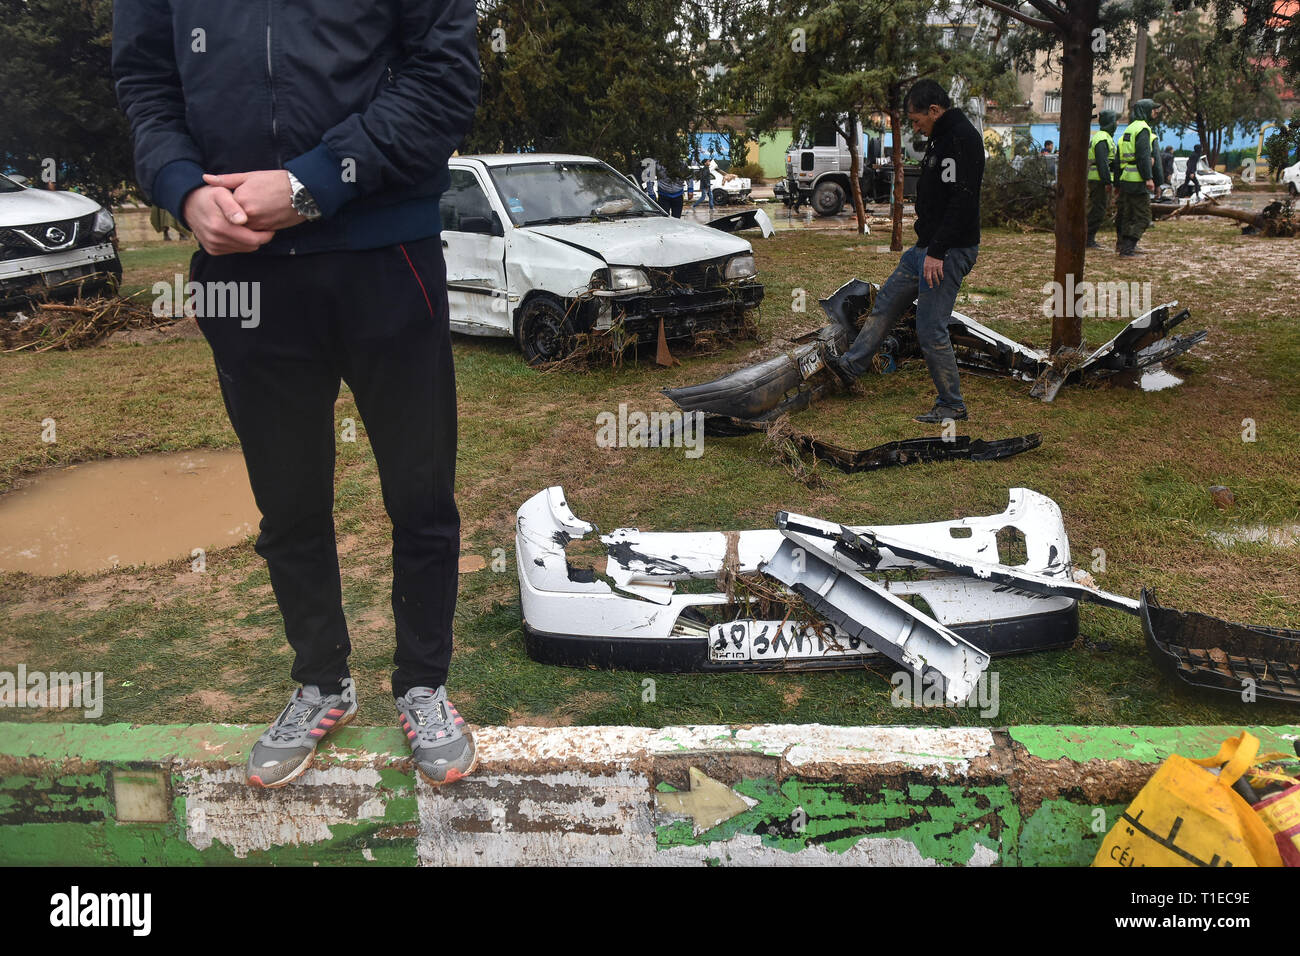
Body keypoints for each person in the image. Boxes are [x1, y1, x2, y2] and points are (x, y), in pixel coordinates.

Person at [112, 0, 482, 789]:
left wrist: (313, 183)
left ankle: (423, 684)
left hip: (388, 255)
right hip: (242, 277)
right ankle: (321, 682)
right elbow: (146, 79)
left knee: (420, 492)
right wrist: (181, 187)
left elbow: (443, 76)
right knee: (289, 503)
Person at [824, 79, 984, 424]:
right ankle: (850, 368)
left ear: (935, 111)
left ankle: (951, 405)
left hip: (947, 251)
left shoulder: (960, 138)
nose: (915, 127)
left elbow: (963, 200)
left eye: (916, 120)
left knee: (930, 327)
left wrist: (938, 251)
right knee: (886, 302)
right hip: (925, 248)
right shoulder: (941, 136)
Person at [1114, 99, 1164, 257]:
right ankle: (1128, 247)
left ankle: (1123, 246)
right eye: (1153, 110)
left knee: (1128, 215)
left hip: (1126, 177)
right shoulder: (1143, 129)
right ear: (1146, 110)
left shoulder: (1129, 128)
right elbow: (1143, 155)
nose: (1155, 113)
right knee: (1144, 217)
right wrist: (1149, 178)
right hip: (1138, 179)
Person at [1086, 110, 1118, 249]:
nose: (1117, 123)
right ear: (1111, 122)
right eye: (1115, 120)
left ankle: (1088, 238)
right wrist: (1107, 182)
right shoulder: (1102, 139)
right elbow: (1102, 162)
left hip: (1099, 179)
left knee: (1098, 209)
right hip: (1098, 180)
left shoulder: (1104, 137)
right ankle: (1088, 239)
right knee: (1097, 210)